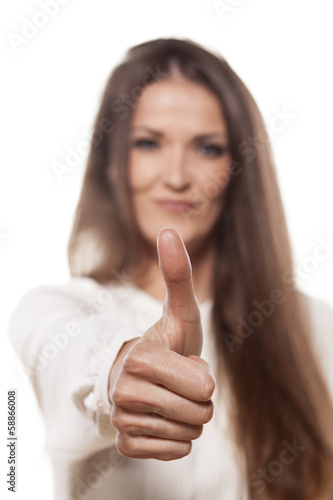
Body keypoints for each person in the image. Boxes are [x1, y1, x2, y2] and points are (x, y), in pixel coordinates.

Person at [8, 37, 333, 500]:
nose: (177, 175)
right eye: (148, 143)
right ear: (112, 165)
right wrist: (119, 369)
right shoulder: (55, 311)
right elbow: (72, 360)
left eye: (207, 149)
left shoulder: (314, 328)